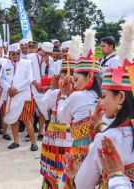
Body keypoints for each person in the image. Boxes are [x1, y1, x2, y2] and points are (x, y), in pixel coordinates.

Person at [65, 21, 134, 189]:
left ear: (121, 98)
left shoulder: (106, 139)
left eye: (103, 96)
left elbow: (83, 184)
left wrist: (74, 176)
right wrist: (97, 125)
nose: (100, 102)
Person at [57, 30, 102, 188]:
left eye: (76, 79)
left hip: (81, 152)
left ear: (89, 77)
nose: (74, 83)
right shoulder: (105, 98)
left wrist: (63, 95)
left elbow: (63, 117)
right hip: (101, 153)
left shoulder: (77, 96)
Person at [40, 36, 79, 188]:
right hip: (53, 140)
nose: (65, 77)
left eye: (69, 74)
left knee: (67, 174)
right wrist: (52, 87)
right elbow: (45, 104)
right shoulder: (55, 93)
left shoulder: (79, 96)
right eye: (63, 74)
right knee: (52, 173)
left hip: (70, 142)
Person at [0, 43, 36, 150]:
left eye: (17, 53)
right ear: (9, 54)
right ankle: (16, 141)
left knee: (26, 120)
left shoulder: (27, 63)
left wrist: (16, 89)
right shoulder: (6, 66)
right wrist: (8, 88)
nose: (16, 55)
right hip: (11, 96)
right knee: (13, 120)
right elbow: (2, 80)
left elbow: (29, 79)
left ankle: (33, 142)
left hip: (23, 96)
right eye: (13, 54)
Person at [27, 42, 56, 142]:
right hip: (32, 87)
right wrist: (35, 83)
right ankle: (30, 134)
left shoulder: (50, 59)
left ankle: (40, 133)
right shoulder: (30, 57)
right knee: (31, 111)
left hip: (45, 88)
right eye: (45, 52)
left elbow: (52, 75)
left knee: (44, 111)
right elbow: (28, 72)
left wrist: (48, 64)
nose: (46, 55)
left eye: (49, 53)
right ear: (41, 49)